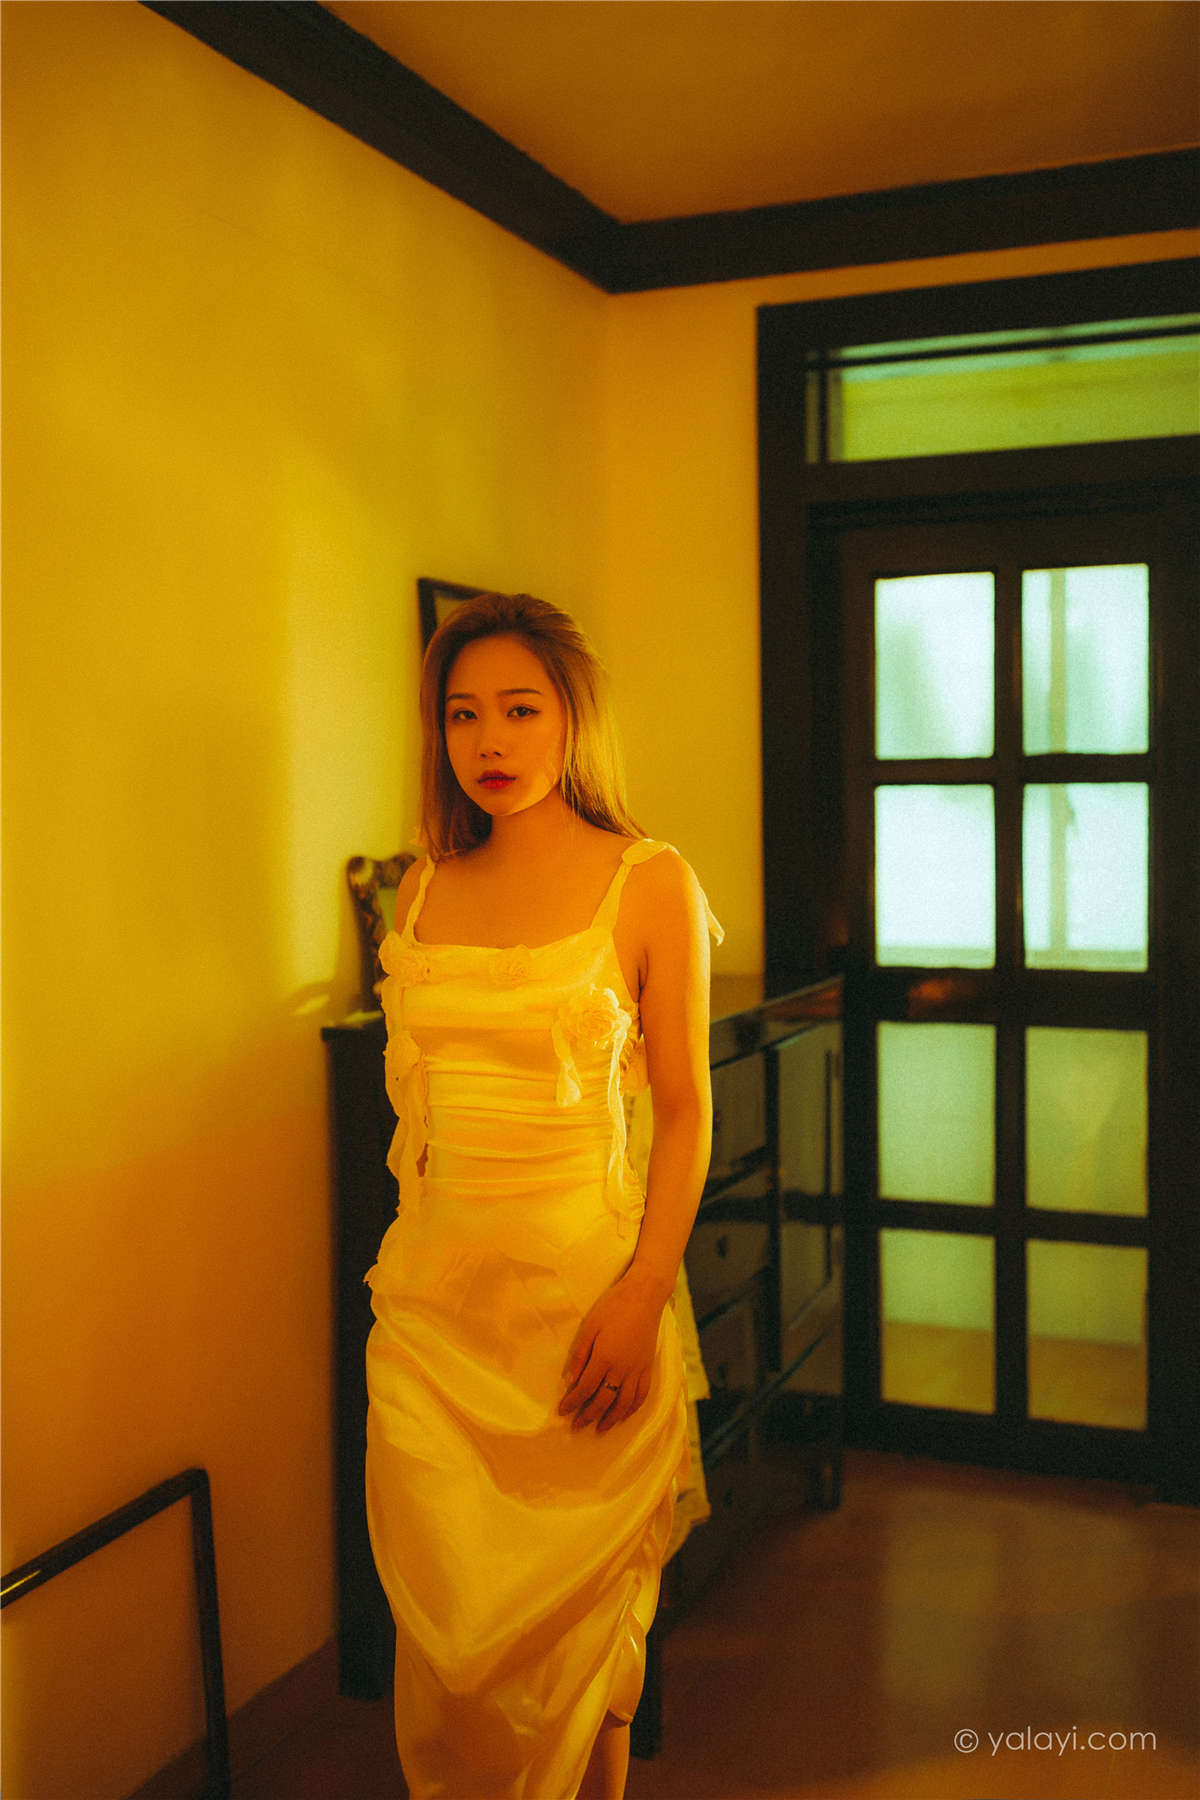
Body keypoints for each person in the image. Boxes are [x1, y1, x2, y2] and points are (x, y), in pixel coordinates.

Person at [365, 592, 722, 1800]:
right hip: (432, 1322)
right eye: (463, 715)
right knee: (450, 1649)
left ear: (574, 718)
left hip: (583, 1314)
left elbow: (685, 1109)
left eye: (520, 709)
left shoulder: (649, 881)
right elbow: (417, 1126)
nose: (490, 741)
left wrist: (644, 1290)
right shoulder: (422, 887)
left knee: (580, 1644)